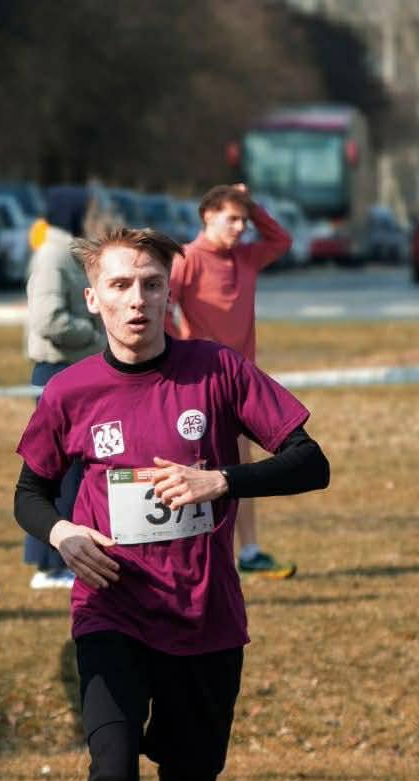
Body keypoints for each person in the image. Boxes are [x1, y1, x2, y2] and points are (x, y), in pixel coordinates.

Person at [12, 226, 330, 781]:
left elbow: (311, 461)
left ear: (168, 293)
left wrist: (220, 478)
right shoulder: (69, 392)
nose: (137, 300)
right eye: (120, 286)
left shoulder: (216, 371)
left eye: (151, 284)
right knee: (112, 775)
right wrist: (60, 534)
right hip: (111, 610)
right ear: (93, 300)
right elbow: (29, 494)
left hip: (205, 619)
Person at [168, 183, 297, 580]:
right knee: (197, 466)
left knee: (240, 466)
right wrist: (183, 354)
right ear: (208, 216)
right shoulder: (187, 258)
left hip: (240, 384)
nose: (241, 227)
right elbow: (162, 309)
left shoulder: (246, 256)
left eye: (245, 221)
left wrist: (252, 206)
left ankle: (251, 551)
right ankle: (191, 555)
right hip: (199, 382)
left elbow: (282, 240)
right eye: (232, 219)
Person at [22, 187, 106, 591]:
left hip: (74, 371)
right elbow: (48, 319)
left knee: (72, 472)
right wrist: (97, 337)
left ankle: (60, 561)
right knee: (55, 471)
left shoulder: (70, 252)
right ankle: (48, 565)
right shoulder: (52, 256)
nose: (94, 216)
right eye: (88, 210)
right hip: (57, 372)